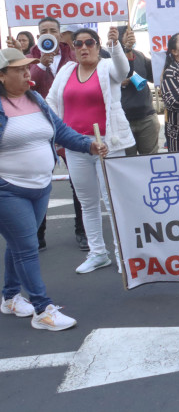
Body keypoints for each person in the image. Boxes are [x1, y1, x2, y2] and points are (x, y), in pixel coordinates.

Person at [0, 48, 108, 330]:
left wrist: (88, 144)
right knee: (26, 247)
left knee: (18, 244)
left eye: (28, 68)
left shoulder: (35, 99)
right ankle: (42, 309)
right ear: (1, 77)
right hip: (7, 190)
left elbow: (60, 131)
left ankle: (10, 297)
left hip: (40, 185)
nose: (27, 74)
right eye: (19, 70)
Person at [46, 27, 134, 274]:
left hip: (108, 144)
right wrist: (57, 131)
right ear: (73, 48)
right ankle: (98, 253)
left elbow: (123, 70)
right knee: (87, 203)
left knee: (113, 201)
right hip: (76, 145)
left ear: (98, 45)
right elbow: (51, 102)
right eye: (78, 44)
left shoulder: (108, 66)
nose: (83, 48)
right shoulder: (66, 70)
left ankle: (123, 254)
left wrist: (115, 45)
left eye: (89, 43)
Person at [15, 17, 86, 251]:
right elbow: (24, 86)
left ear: (60, 33)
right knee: (38, 181)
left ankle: (82, 231)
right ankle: (38, 234)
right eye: (44, 31)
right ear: (38, 35)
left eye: (53, 30)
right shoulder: (29, 58)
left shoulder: (73, 54)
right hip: (38, 128)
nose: (49, 34)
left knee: (79, 180)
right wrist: (41, 65)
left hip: (70, 126)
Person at [118, 26, 159, 156]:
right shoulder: (108, 57)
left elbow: (154, 77)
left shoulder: (139, 55)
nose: (131, 35)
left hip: (146, 118)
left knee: (150, 160)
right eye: (127, 33)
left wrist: (158, 58)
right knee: (128, 162)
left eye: (132, 32)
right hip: (123, 121)